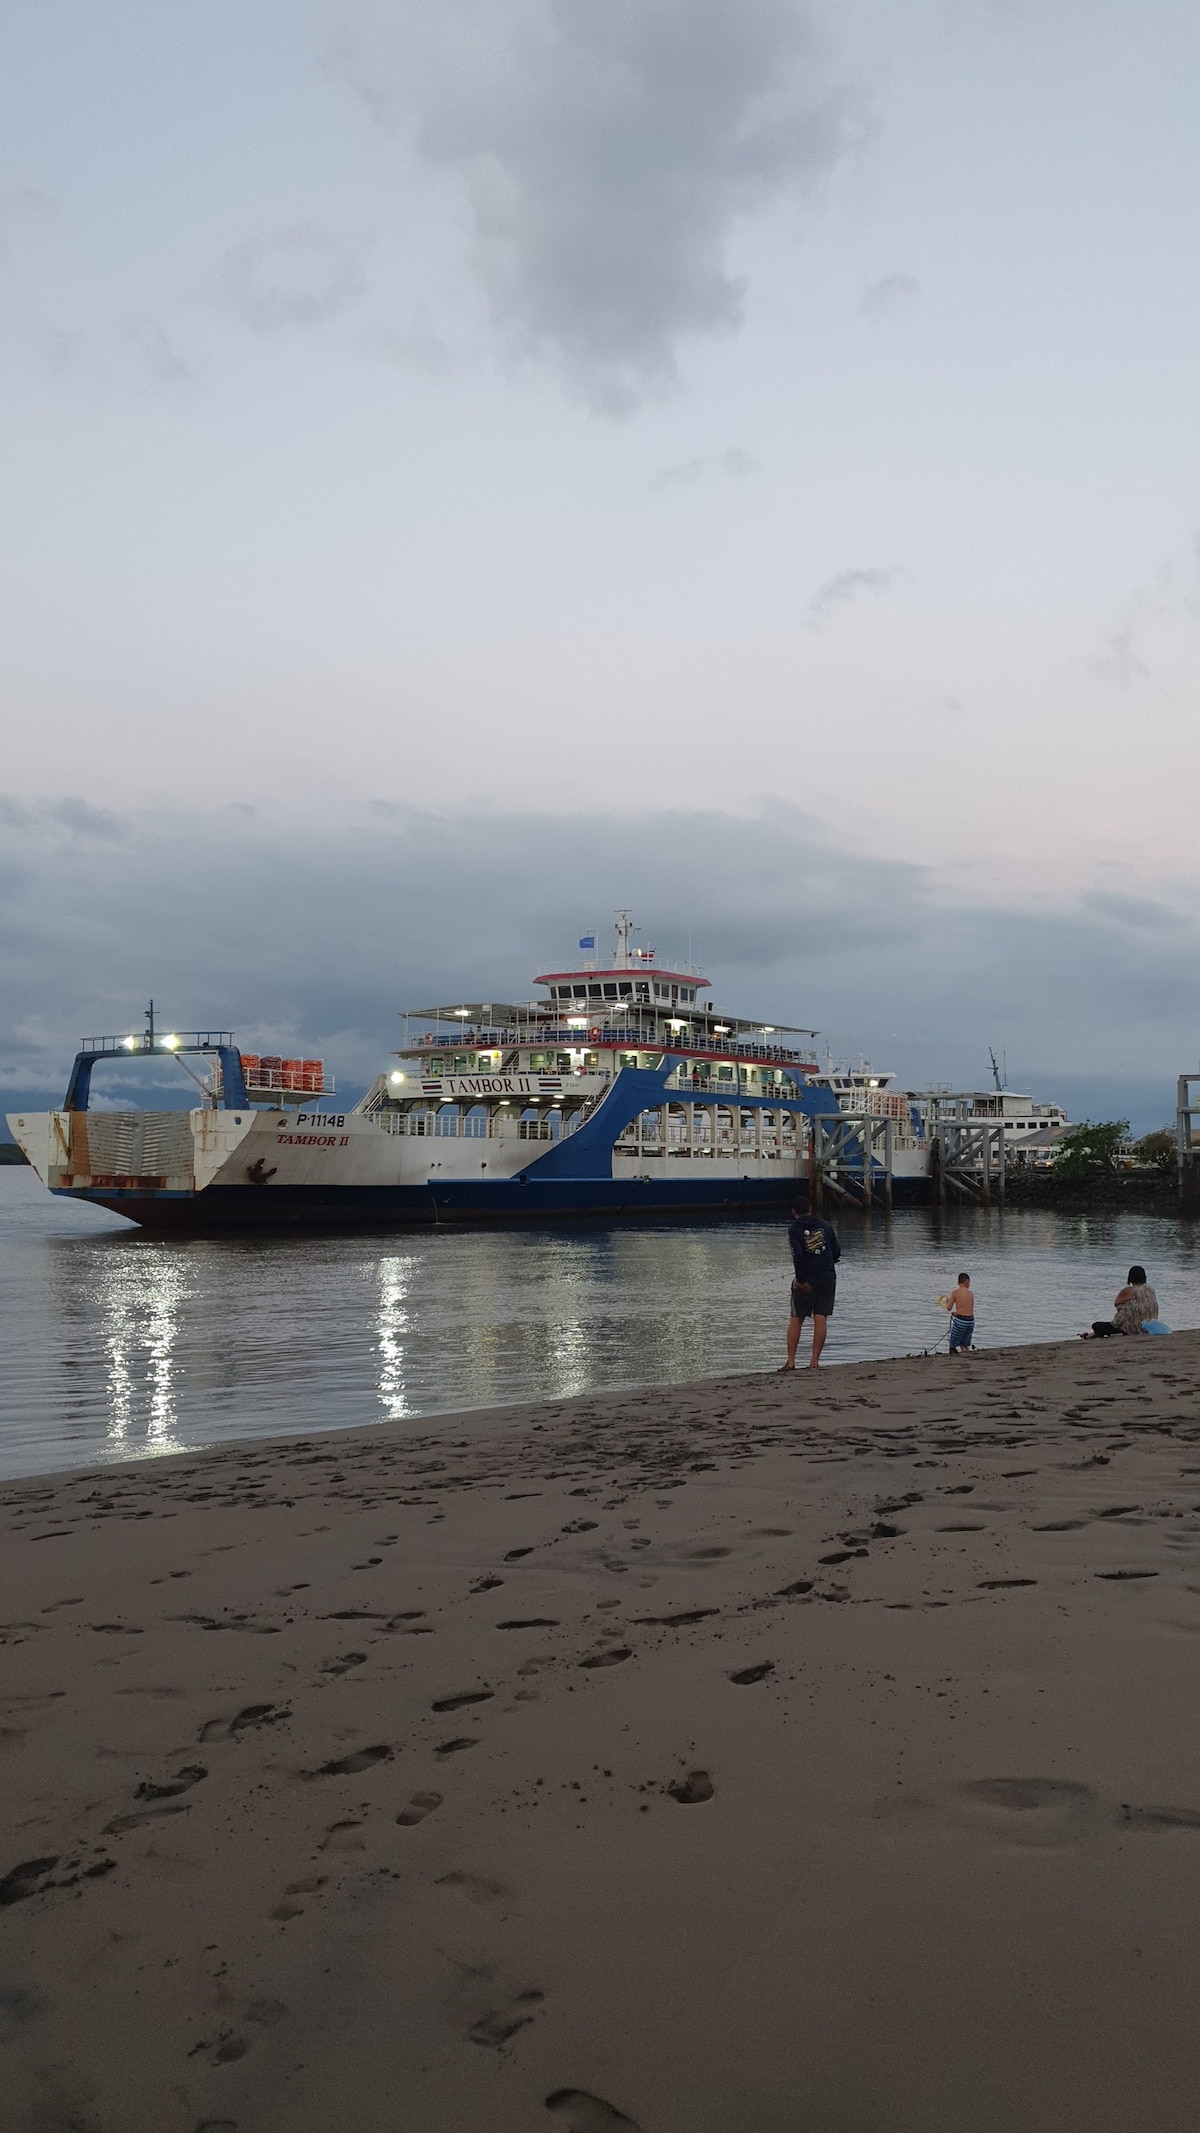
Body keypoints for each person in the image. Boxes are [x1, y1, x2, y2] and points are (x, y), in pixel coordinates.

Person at [779, 1190, 840, 1371]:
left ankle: (791, 1362)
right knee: (820, 1318)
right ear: (810, 1209)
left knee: (796, 1318)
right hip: (828, 1277)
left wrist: (800, 1280)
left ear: (794, 1212)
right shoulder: (825, 1225)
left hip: (808, 1278)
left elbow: (798, 1255)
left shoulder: (794, 1229)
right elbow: (836, 1252)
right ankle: (814, 1362)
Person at [1084, 1265, 1158, 1338]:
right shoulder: (1151, 1290)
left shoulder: (1129, 1290)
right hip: (1148, 1325)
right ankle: (1093, 1335)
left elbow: (1116, 1303)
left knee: (1096, 1325)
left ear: (1130, 1277)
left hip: (1131, 1327)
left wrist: (1122, 1307)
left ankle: (1098, 1336)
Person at [943, 1272, 975, 1353]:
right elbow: (968, 1310)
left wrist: (947, 1301)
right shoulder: (971, 1293)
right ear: (967, 1282)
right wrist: (957, 1313)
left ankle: (953, 1358)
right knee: (964, 1344)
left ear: (958, 1283)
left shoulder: (955, 1292)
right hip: (970, 1321)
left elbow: (948, 1308)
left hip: (960, 1321)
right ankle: (965, 1354)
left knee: (952, 1344)